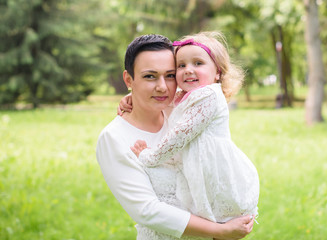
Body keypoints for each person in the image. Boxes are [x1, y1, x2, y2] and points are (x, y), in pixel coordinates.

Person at [96, 34, 254, 240]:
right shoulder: (114, 138)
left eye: (170, 75)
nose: (162, 87)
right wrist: (221, 231)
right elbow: (147, 210)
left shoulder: (182, 113)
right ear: (129, 79)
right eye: (149, 76)